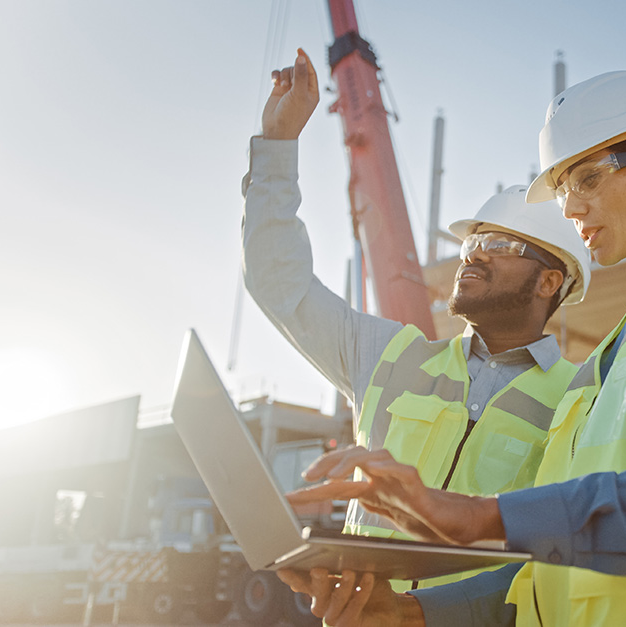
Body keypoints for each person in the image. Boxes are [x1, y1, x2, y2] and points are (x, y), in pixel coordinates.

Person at [286, 70, 626, 626]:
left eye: (588, 179)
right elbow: (550, 571)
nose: (571, 209)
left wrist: (479, 516)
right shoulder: (596, 373)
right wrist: (412, 613)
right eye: (566, 191)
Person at [243, 49, 590, 594]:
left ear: (550, 282)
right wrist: (278, 147)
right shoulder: (389, 355)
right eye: (472, 241)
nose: (471, 255)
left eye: (498, 243)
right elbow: (276, 281)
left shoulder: (584, 397)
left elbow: (568, 550)